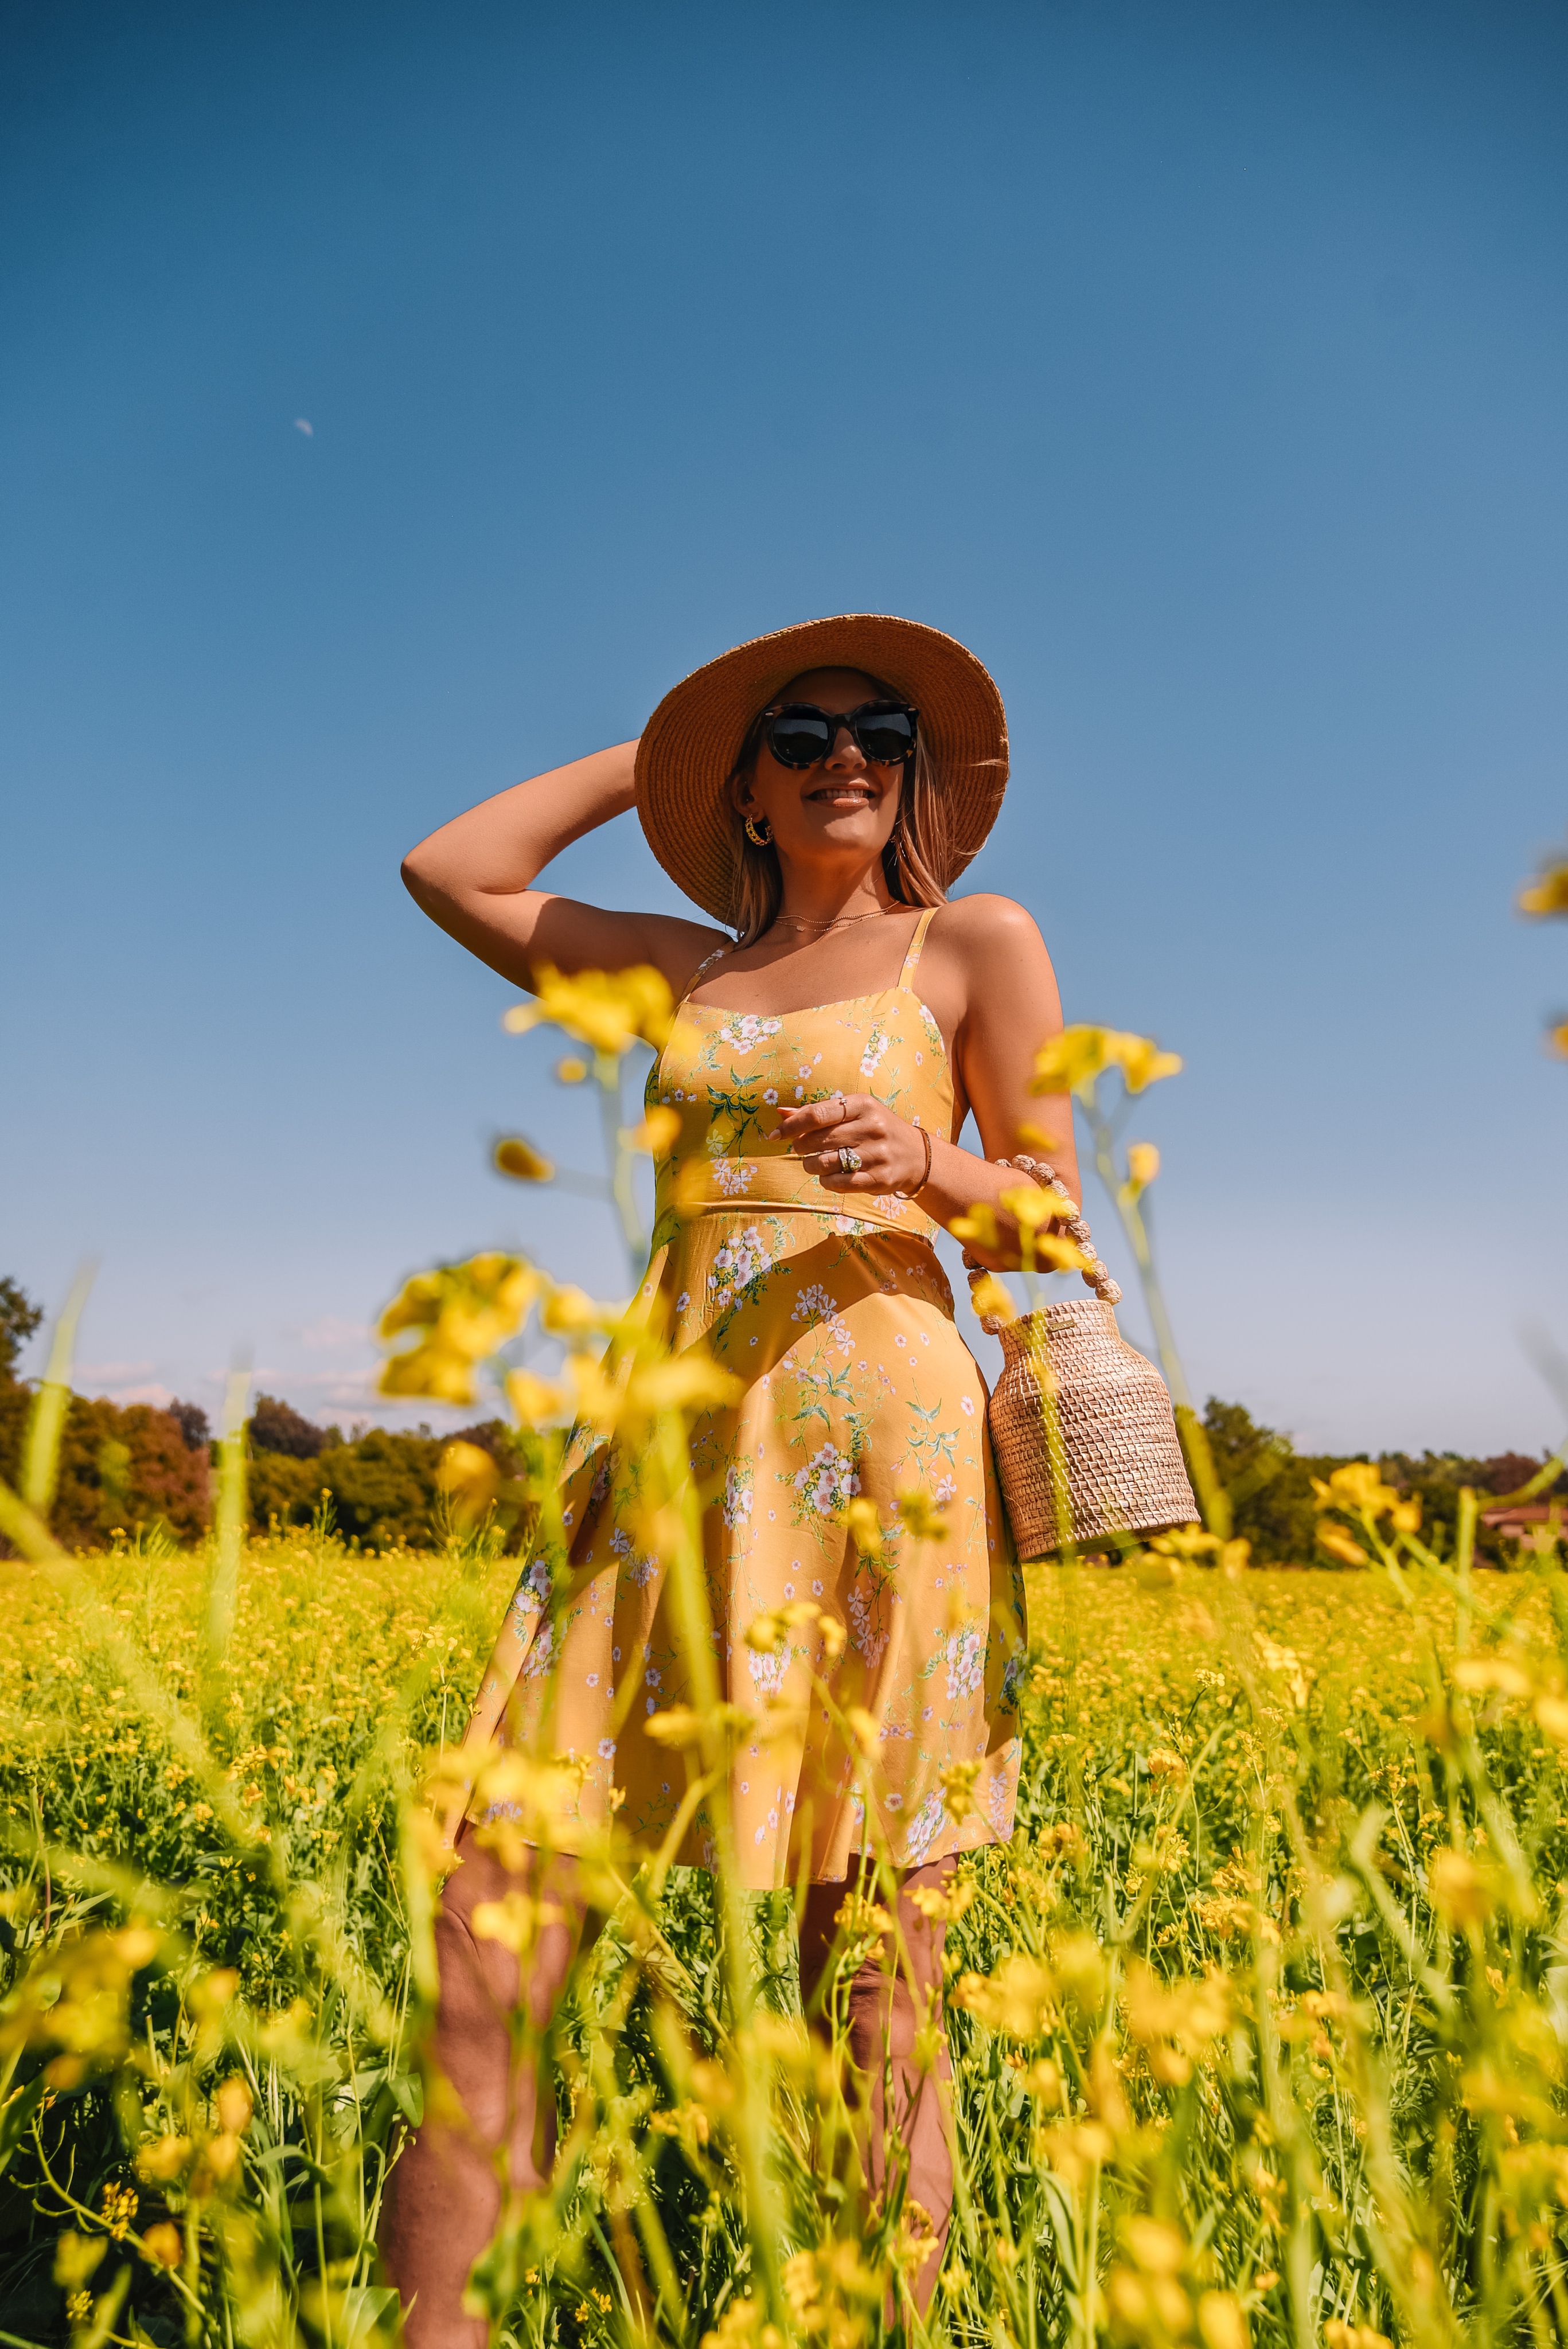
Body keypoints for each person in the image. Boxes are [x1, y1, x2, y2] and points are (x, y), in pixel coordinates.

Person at [379, 615, 1080, 2345]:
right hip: (670, 1459)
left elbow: (1058, 1209)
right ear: (751, 789)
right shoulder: (682, 970)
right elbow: (451, 870)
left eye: (881, 735)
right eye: (800, 736)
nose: (849, 756)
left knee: (872, 1976)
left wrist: (929, 1160)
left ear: (916, 776)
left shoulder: (973, 944)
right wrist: (662, 755)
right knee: (492, 1922)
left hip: (888, 1470)